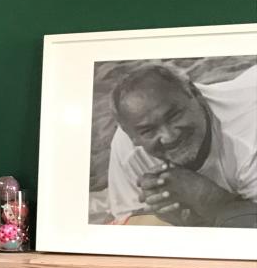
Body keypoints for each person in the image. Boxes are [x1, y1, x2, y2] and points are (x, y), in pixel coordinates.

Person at [107, 63, 257, 227]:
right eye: (149, 130)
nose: (169, 137)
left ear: (195, 93)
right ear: (131, 136)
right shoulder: (127, 144)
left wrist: (211, 200)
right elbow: (128, 227)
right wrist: (179, 219)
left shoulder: (249, 138)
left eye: (174, 115)